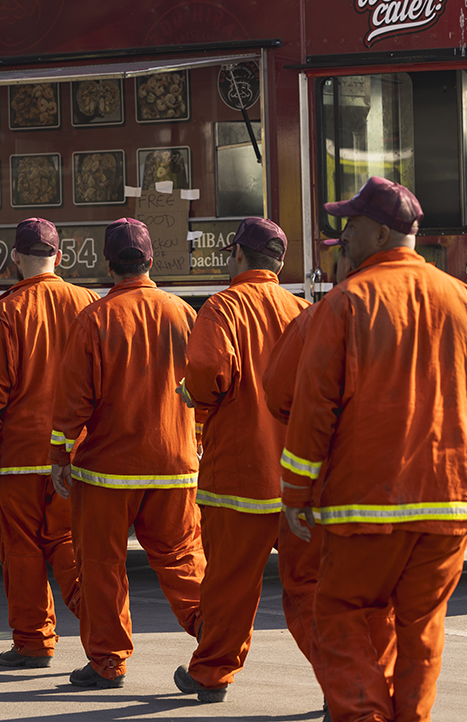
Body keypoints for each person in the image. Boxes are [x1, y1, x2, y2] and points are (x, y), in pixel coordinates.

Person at [281, 177, 467, 722]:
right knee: (421, 627)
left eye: (350, 225)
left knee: (340, 612)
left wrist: (295, 493)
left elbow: (314, 410)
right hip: (451, 502)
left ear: (380, 232)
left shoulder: (346, 303)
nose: (342, 235)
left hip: (368, 500)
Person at [51, 218, 204, 689]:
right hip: (175, 465)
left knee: (102, 566)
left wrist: (60, 454)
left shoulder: (95, 319)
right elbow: (202, 388)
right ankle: (215, 633)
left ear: (108, 264)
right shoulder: (183, 313)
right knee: (182, 559)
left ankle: (107, 663)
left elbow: (74, 399)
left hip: (108, 473)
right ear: (151, 261)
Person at [172, 218, 308, 703]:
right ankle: (345, 681)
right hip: (297, 478)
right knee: (310, 589)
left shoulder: (223, 307)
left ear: (236, 255)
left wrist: (193, 394)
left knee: (229, 583)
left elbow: (208, 373)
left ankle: (212, 674)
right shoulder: (302, 310)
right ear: (280, 262)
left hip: (239, 474)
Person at [265, 241, 396, 707]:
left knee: (309, 588)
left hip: (331, 487)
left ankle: (347, 692)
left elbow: (279, 396)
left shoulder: (317, 319)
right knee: (378, 600)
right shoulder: (414, 318)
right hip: (398, 488)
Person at [0, 218, 96, 669]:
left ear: (15, 258)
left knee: (21, 550)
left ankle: (32, 643)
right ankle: (103, 628)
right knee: (70, 546)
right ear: (60, 257)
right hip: (74, 456)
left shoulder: (6, 312)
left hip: (17, 459)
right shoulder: (89, 303)